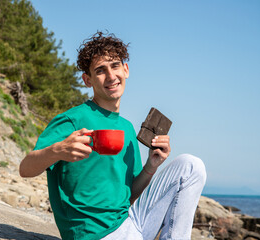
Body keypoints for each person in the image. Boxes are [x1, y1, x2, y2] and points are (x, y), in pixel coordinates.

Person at [19, 31, 206, 240]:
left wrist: (151, 167)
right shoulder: (73, 119)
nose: (110, 76)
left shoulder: (126, 128)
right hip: (93, 235)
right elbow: (25, 169)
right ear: (87, 80)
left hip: (130, 225)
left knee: (191, 165)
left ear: (126, 70)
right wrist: (58, 150)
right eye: (100, 70)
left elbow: (130, 194)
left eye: (115, 65)